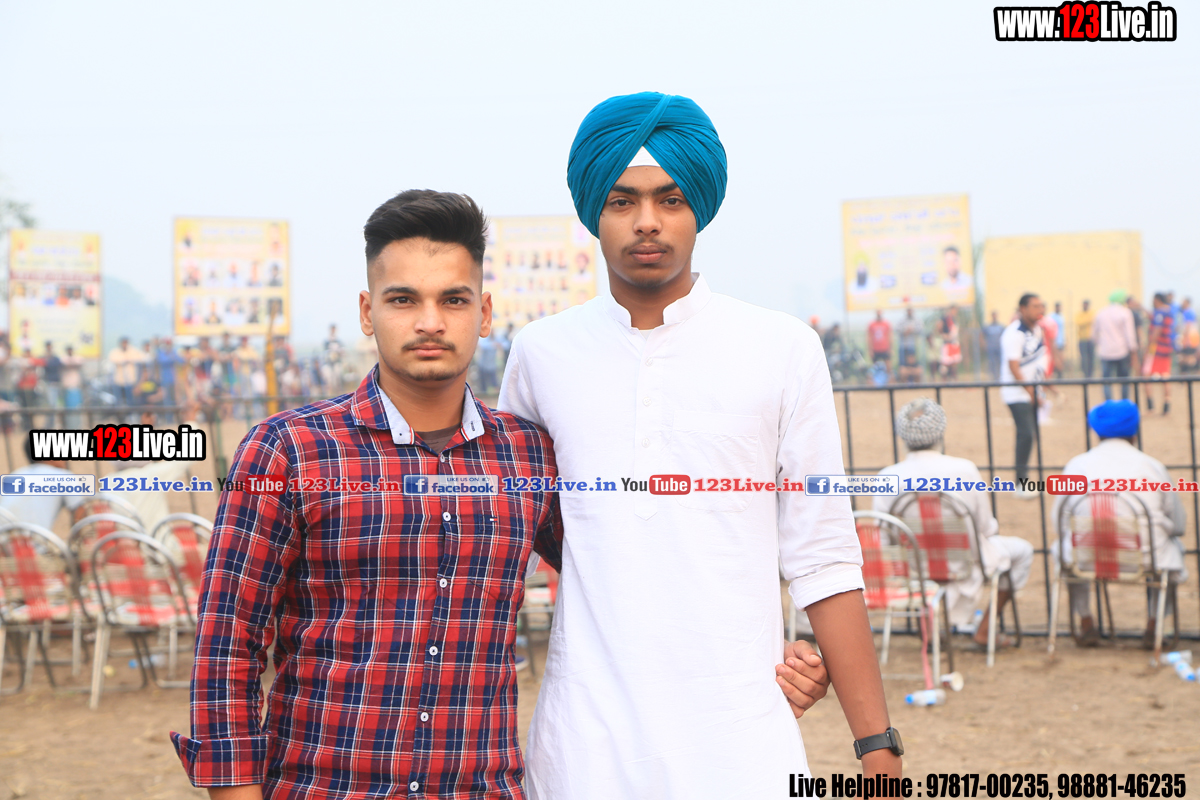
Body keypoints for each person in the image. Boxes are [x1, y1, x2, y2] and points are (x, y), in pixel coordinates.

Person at [171, 189, 832, 799]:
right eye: (403, 300)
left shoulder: (526, 458)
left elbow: (629, 570)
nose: (430, 321)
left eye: (453, 300)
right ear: (368, 313)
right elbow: (227, 645)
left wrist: (760, 659)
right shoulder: (288, 452)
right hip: (325, 785)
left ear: (484, 314)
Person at [500, 91, 901, 798]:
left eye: (671, 198)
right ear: (593, 210)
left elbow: (823, 555)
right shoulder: (541, 354)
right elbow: (517, 537)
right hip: (583, 747)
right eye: (622, 201)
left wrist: (878, 747)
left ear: (700, 209)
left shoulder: (781, 349)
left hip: (742, 738)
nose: (647, 221)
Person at [876, 399, 1033, 646]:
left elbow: (884, 538)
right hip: (967, 566)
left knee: (911, 552)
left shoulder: (886, 477)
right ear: (940, 430)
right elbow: (986, 528)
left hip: (914, 572)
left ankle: (927, 629)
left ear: (902, 435)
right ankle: (985, 628)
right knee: (1022, 551)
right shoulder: (965, 470)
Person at [1052, 400, 1187, 648]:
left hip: (1087, 557)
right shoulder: (1152, 467)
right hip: (1146, 558)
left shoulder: (1076, 465)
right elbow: (1178, 524)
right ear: (1134, 433)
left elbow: (1058, 519)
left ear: (1096, 432)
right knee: (1173, 549)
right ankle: (1154, 625)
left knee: (1063, 547)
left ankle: (1085, 621)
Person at [1000, 293, 1047, 498]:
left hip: (1031, 391)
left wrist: (1044, 388)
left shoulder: (1036, 330)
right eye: (1035, 306)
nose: (1040, 310)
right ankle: (1021, 484)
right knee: (1025, 435)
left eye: (1041, 306)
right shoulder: (1014, 333)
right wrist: (1031, 392)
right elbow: (1013, 367)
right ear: (1022, 309)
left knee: (1030, 436)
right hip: (1016, 393)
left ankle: (1024, 481)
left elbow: (1037, 361)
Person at [1, 440, 87, 529]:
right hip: (35, 536)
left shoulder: (14, 475)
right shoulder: (63, 476)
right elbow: (80, 517)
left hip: (4, 535)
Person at [1093, 289, 1139, 400]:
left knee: (1106, 381)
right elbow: (1130, 335)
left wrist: (1101, 344)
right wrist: (1133, 352)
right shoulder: (1125, 312)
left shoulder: (1101, 313)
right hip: (1122, 352)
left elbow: (1094, 335)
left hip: (1105, 352)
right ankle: (1124, 402)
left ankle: (1109, 403)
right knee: (1124, 380)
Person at [1142, 292, 1174, 414]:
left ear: (1157, 300)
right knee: (1165, 376)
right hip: (1167, 349)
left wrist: (1147, 348)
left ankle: (1150, 405)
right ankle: (1167, 404)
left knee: (1146, 375)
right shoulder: (1169, 312)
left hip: (1156, 350)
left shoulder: (1160, 312)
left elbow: (1157, 330)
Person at [108, 336, 142, 421]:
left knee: (131, 401)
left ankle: (131, 418)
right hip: (118, 381)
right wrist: (124, 360)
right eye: (123, 342)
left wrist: (127, 359)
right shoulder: (115, 351)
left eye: (126, 342)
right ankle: (120, 419)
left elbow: (138, 359)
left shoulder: (133, 351)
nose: (124, 344)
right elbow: (113, 360)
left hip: (130, 381)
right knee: (118, 402)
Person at [61, 344, 84, 428]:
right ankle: (68, 426)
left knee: (76, 408)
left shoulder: (77, 358)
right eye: (68, 350)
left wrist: (71, 364)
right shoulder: (63, 358)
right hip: (66, 387)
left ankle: (76, 426)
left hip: (76, 386)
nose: (69, 351)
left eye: (71, 349)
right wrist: (71, 364)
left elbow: (79, 364)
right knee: (67, 409)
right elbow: (64, 365)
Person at [897, 306, 922, 383]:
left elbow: (920, 329)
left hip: (912, 345)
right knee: (902, 366)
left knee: (914, 365)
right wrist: (905, 331)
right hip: (903, 346)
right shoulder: (902, 320)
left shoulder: (916, 320)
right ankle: (903, 382)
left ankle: (914, 382)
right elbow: (897, 329)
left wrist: (912, 330)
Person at [937, 305, 962, 380]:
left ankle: (953, 379)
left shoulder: (954, 319)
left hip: (954, 343)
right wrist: (943, 334)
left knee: (954, 363)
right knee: (945, 363)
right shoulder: (946, 318)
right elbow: (939, 325)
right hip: (947, 344)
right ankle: (944, 379)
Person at [41, 341, 63, 416]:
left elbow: (59, 364)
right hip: (48, 383)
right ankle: (50, 421)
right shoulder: (44, 357)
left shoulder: (55, 358)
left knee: (58, 404)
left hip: (56, 383)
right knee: (51, 404)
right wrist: (46, 358)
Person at [867, 309, 892, 379]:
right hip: (875, 349)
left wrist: (890, 348)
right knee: (874, 367)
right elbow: (869, 337)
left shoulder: (886, 324)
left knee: (888, 366)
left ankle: (889, 380)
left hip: (885, 348)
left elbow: (889, 336)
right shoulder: (872, 324)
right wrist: (870, 350)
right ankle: (874, 381)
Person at [1177, 297, 1198, 374]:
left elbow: (1188, 326)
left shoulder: (1188, 312)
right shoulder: (1186, 312)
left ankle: (1190, 375)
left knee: (1188, 358)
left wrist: (1183, 339)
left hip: (1189, 340)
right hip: (1189, 340)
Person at [1075, 299, 1095, 378]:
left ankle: (1090, 374)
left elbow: (1093, 320)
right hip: (1082, 339)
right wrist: (1088, 321)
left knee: (1091, 358)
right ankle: (1085, 374)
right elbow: (1079, 322)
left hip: (1090, 339)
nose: (1085, 306)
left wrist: (1085, 321)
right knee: (1084, 358)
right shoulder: (1079, 314)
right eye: (1084, 304)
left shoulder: (1091, 313)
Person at [983, 310, 1005, 381]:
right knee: (992, 363)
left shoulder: (1001, 327)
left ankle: (1000, 376)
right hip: (991, 348)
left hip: (999, 348)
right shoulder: (988, 327)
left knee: (1000, 362)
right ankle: (994, 377)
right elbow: (982, 335)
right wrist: (984, 344)